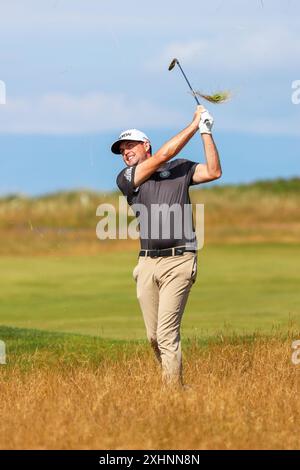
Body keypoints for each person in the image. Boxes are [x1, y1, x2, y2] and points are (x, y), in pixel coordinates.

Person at [112, 105, 222, 386]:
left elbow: (213, 171)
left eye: (130, 145)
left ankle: (172, 396)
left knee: (166, 333)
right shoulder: (127, 178)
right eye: (122, 149)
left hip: (180, 259)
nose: (125, 152)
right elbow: (164, 154)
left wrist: (206, 132)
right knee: (153, 337)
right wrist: (194, 123)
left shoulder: (179, 168)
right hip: (147, 263)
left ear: (145, 145)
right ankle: (177, 385)